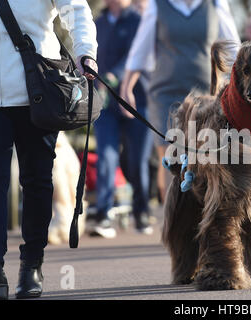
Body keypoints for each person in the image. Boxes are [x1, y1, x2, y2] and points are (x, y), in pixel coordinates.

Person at [0, 0, 97, 300]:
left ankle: (31, 265)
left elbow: (76, 9)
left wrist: (85, 51)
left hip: (37, 90)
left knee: (37, 181)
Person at [120, 0, 241, 200]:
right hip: (165, 94)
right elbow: (140, 50)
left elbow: (233, 48)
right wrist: (127, 86)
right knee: (171, 158)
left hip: (207, 96)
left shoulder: (216, 4)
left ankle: (200, 220)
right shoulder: (157, 5)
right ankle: (172, 222)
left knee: (204, 159)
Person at [92, 0, 154, 238]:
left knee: (138, 162)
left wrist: (113, 76)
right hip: (106, 104)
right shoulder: (98, 23)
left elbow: (135, 55)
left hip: (137, 101)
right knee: (106, 156)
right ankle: (104, 213)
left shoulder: (138, 21)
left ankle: (142, 211)